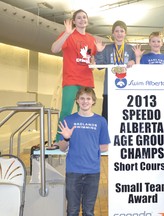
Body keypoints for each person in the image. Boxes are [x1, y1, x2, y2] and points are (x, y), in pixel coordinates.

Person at [57, 87, 110, 216]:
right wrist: (66, 138)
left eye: (88, 98)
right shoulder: (68, 120)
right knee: (72, 210)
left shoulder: (101, 121)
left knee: (89, 211)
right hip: (73, 171)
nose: (85, 101)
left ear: (93, 101)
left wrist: (89, 147)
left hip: (93, 172)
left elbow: (104, 147)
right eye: (82, 98)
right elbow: (62, 148)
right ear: (77, 101)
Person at [51, 9, 97, 142]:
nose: (82, 20)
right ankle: (59, 140)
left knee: (84, 114)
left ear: (87, 20)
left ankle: (80, 140)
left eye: (84, 17)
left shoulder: (91, 39)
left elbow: (90, 59)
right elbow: (54, 49)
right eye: (79, 18)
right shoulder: (68, 35)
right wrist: (66, 33)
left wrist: (93, 61)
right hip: (71, 80)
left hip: (86, 81)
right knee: (66, 111)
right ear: (74, 21)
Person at [95, 20, 136, 121]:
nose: (119, 34)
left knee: (124, 119)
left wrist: (135, 62)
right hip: (109, 90)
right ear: (113, 33)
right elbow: (100, 66)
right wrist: (99, 52)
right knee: (107, 119)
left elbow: (138, 69)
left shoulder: (132, 49)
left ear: (125, 33)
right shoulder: (107, 48)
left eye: (122, 31)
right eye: (117, 31)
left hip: (126, 90)